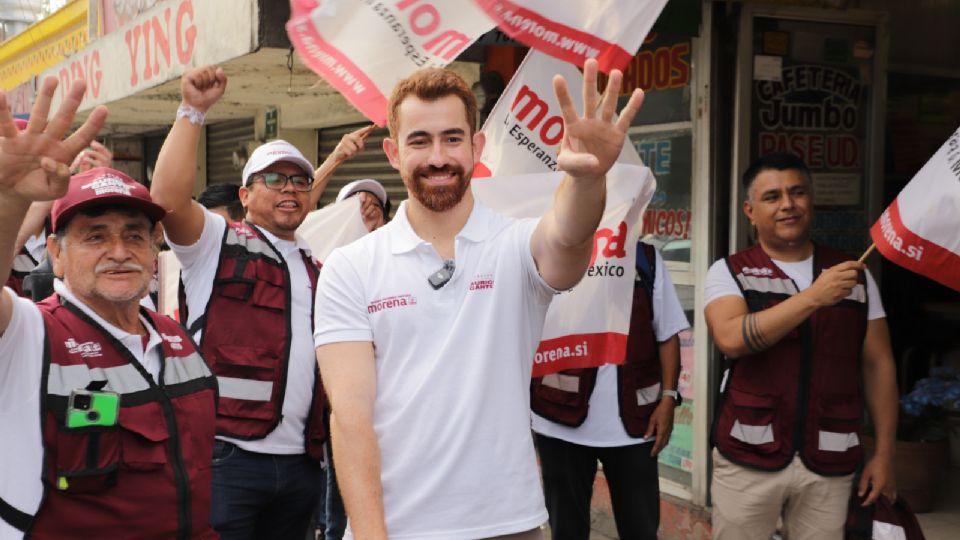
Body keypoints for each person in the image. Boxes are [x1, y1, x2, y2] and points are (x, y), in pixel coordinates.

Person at [314, 60, 645, 539]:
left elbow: (569, 238)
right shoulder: (350, 267)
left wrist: (588, 179)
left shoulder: (516, 246)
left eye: (452, 138)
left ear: (477, 146)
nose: (438, 157)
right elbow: (350, 417)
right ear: (392, 152)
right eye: (419, 141)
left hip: (509, 525)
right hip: (393, 530)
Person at [0, 77, 218, 539]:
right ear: (55, 254)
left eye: (134, 235)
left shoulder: (176, 339)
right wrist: (9, 200)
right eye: (95, 236)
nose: (119, 251)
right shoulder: (30, 335)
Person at [150, 66, 327, 540]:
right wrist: (193, 111)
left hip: (302, 466)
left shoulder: (318, 267)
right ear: (246, 195)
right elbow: (166, 200)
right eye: (275, 178)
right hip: (227, 459)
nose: (290, 188)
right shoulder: (218, 242)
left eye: (300, 181)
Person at [703, 153, 898, 540]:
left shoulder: (852, 275)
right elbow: (732, 339)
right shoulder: (729, 272)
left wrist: (885, 454)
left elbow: (879, 365)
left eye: (797, 193)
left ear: (812, 200)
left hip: (831, 457)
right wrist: (813, 297)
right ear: (750, 211)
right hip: (748, 457)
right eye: (772, 197)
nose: (788, 205)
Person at [530, 240, 689, 540]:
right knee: (567, 531)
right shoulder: (548, 254)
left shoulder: (645, 259)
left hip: (635, 427)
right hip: (558, 421)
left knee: (641, 531)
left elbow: (667, 334)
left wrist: (668, 399)